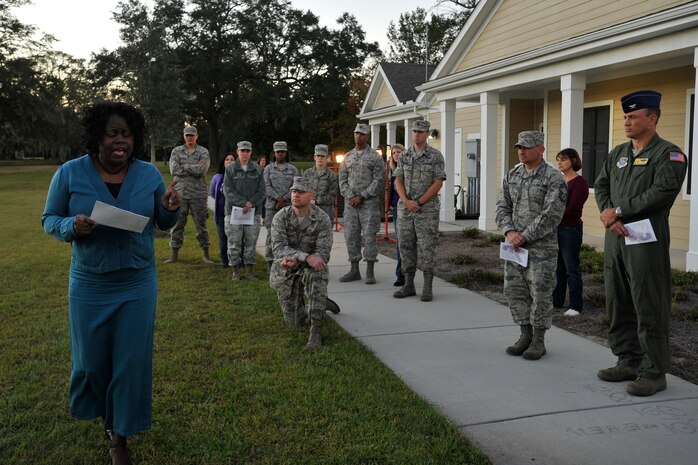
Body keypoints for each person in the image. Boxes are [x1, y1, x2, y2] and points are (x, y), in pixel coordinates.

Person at [41, 101, 181, 465]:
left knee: (130, 360)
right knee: (90, 362)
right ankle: (107, 416)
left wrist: (169, 207)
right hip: (90, 282)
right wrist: (72, 226)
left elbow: (162, 224)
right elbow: (49, 218)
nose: (121, 141)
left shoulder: (148, 174)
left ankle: (119, 436)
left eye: (127, 134)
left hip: (137, 281)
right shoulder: (70, 173)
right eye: (112, 133)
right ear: (97, 137)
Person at [594, 90, 687, 396]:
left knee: (648, 301)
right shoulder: (618, 153)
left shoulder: (670, 155)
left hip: (645, 238)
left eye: (633, 117)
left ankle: (653, 371)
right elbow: (603, 185)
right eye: (625, 116)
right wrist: (610, 216)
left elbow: (661, 193)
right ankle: (628, 360)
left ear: (652, 119)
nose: (627, 122)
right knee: (618, 300)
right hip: (616, 237)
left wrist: (619, 211)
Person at [495, 130, 567, 360]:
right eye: (519, 147)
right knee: (515, 290)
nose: (521, 151)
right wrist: (509, 231)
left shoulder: (553, 178)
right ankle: (524, 334)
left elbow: (552, 215)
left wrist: (523, 235)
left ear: (541, 149)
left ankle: (538, 340)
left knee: (541, 293)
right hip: (515, 246)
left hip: (541, 248)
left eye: (527, 147)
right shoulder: (512, 175)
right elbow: (502, 207)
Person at [270, 176, 336, 348]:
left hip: (310, 268)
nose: (295, 195)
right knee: (294, 322)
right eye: (293, 191)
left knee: (318, 271)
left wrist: (308, 260)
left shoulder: (322, 219)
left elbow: (323, 253)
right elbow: (278, 248)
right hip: (287, 267)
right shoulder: (280, 217)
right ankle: (320, 303)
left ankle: (316, 331)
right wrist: (303, 257)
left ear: (311, 195)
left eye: (300, 192)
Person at [393, 123, 446, 301]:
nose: (416, 135)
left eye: (420, 132)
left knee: (426, 248)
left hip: (427, 210)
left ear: (427, 134)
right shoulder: (404, 156)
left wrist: (419, 202)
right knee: (406, 247)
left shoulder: (435, 156)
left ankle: (427, 286)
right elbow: (398, 180)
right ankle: (408, 284)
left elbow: (438, 182)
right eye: (414, 131)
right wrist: (407, 202)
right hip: (406, 210)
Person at [337, 123, 385, 284]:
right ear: (354, 134)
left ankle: (370, 270)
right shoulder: (347, 156)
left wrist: (362, 196)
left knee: (370, 236)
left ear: (368, 136)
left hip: (369, 203)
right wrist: (351, 196)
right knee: (351, 235)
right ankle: (354, 269)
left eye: (363, 134)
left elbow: (379, 181)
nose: (359, 136)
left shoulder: (375, 157)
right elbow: (342, 180)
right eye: (357, 133)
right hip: (351, 205)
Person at [165, 125, 213, 264]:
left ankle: (206, 253)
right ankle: (174, 254)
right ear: (184, 136)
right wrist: (194, 167)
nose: (189, 138)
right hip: (180, 194)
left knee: (201, 225)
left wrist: (184, 166)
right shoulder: (176, 151)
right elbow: (174, 170)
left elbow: (202, 170)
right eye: (187, 135)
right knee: (177, 224)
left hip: (198, 193)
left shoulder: (203, 151)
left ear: (196, 136)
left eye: (192, 135)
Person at [553, 148, 589, 317]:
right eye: (558, 159)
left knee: (571, 268)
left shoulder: (580, 183)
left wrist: (553, 216)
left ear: (573, 161)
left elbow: (574, 208)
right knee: (558, 267)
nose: (559, 162)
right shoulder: (560, 181)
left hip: (570, 230)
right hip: (557, 229)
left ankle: (576, 305)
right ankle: (557, 301)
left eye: (563, 159)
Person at [224, 141, 266, 281]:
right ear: (237, 151)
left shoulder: (257, 170)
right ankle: (235, 272)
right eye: (242, 151)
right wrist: (243, 203)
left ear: (251, 152)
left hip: (253, 212)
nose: (245, 153)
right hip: (234, 212)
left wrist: (251, 203)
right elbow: (228, 191)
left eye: (247, 151)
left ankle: (249, 272)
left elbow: (262, 191)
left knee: (251, 242)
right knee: (234, 242)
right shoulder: (230, 169)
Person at [263, 141, 298, 270]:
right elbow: (266, 186)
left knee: (289, 235)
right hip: (272, 207)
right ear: (274, 154)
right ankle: (270, 262)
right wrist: (278, 198)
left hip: (288, 207)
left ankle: (288, 260)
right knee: (271, 235)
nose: (280, 154)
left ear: (286, 153)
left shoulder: (292, 169)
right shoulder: (268, 169)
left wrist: (284, 199)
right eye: (278, 152)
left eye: (282, 152)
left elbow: (295, 187)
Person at [210, 153, 236, 267]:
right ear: (224, 163)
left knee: (235, 238)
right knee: (223, 238)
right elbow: (212, 193)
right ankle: (224, 261)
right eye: (227, 159)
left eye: (232, 159)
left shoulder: (239, 176)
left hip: (235, 213)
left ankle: (236, 261)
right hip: (221, 213)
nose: (229, 161)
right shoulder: (217, 177)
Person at [302, 144, 338, 221]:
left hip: (325, 213)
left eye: (322, 156)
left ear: (326, 158)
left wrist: (317, 201)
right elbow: (302, 191)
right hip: (309, 212)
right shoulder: (307, 173)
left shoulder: (331, 175)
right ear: (314, 157)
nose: (320, 159)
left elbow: (332, 195)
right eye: (318, 156)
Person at [389, 144, 405, 286]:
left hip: (407, 209)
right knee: (400, 243)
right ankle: (400, 275)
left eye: (399, 152)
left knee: (407, 243)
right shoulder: (390, 171)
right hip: (396, 210)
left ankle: (406, 273)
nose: (396, 155)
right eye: (394, 153)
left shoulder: (408, 169)